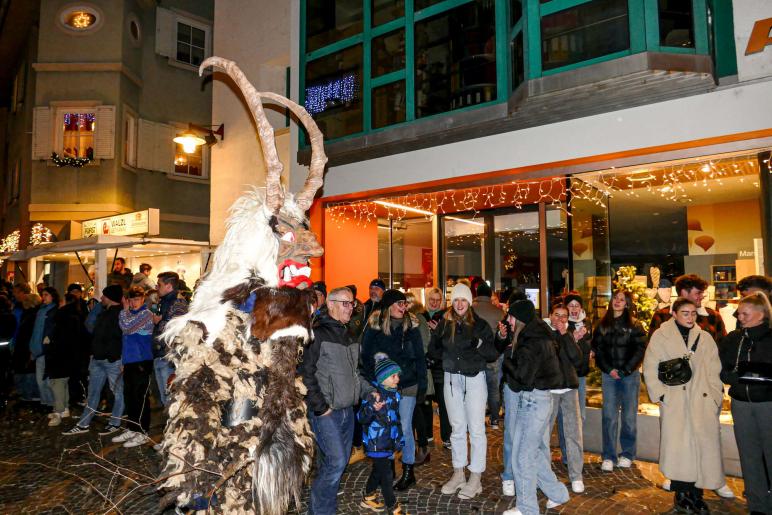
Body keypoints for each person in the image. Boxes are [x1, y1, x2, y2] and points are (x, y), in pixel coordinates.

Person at [649, 275, 734, 499]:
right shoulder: (661, 335)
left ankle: (698, 496)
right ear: (674, 314)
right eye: (685, 313)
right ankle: (682, 495)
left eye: (693, 313)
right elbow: (650, 367)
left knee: (704, 449)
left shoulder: (704, 337)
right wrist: (661, 396)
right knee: (679, 449)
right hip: (675, 400)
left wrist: (716, 396)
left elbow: (714, 369)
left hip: (702, 401)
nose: (690, 317)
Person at [499, 299, 569, 515]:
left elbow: (523, 378)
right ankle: (558, 494)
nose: (508, 321)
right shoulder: (537, 334)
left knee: (522, 457)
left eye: (510, 316)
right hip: (537, 401)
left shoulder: (532, 341)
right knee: (534, 453)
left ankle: (527, 508)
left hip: (533, 402)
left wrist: (507, 363)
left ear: (518, 318)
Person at [428, 283, 496, 500]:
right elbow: (433, 349)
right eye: (456, 300)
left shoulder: (480, 325)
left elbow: (492, 352)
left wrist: (477, 344)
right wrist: (445, 358)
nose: (459, 304)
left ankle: (475, 476)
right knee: (457, 428)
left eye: (463, 300)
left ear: (469, 301)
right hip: (451, 379)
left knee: (476, 429)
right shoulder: (444, 323)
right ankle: (459, 473)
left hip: (474, 378)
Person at [301, 287, 360, 515]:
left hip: (348, 411)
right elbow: (306, 373)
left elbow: (356, 373)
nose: (350, 308)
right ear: (331, 304)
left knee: (337, 463)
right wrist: (320, 408)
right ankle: (321, 511)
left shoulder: (349, 335)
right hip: (327, 413)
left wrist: (368, 393)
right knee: (335, 462)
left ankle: (325, 507)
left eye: (352, 304)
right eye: (345, 303)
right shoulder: (316, 334)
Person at [361, 289, 426, 492]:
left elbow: (420, 358)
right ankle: (388, 470)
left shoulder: (411, 327)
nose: (403, 307)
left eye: (404, 304)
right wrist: (373, 384)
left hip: (407, 385)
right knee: (387, 426)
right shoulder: (375, 327)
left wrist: (422, 385)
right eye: (399, 303)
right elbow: (365, 356)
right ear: (388, 306)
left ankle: (409, 471)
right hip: (384, 387)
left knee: (405, 427)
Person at [719, 292, 772, 514]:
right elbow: (721, 369)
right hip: (740, 404)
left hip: (768, 404)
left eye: (745, 313)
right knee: (748, 455)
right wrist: (734, 377)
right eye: (739, 313)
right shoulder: (733, 338)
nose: (740, 317)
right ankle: (757, 506)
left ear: (761, 314)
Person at [592, 289, 646, 472]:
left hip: (629, 376)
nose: (617, 301)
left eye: (622, 300)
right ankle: (608, 455)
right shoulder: (601, 325)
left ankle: (628, 454)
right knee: (609, 417)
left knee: (629, 417)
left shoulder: (635, 325)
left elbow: (640, 350)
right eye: (615, 298)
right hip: (609, 376)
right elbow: (597, 350)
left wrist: (626, 370)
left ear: (627, 304)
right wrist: (609, 370)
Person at [62, 285, 125, 436]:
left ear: (110, 297)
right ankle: (84, 424)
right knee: (93, 393)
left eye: (104, 296)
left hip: (111, 360)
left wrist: (118, 357)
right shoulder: (105, 313)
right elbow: (94, 332)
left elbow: (122, 337)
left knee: (118, 393)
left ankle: (115, 422)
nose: (101, 298)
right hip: (99, 359)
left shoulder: (120, 314)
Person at [358, 353, 408, 515]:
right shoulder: (374, 395)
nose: (397, 379)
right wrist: (373, 408)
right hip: (376, 442)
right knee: (386, 474)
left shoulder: (394, 394)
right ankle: (392, 506)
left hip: (387, 441)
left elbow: (395, 420)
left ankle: (368, 496)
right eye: (393, 376)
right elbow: (361, 417)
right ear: (383, 378)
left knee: (378, 471)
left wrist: (399, 438)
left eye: (397, 376)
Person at [545, 302, 585, 494]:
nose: (560, 319)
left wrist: (566, 336)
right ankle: (543, 473)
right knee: (544, 434)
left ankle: (576, 475)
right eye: (557, 315)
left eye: (564, 316)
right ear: (550, 316)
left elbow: (577, 359)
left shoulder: (568, 335)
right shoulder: (544, 335)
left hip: (569, 389)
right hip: (550, 389)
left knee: (573, 433)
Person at [114, 287, 154, 448]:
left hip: (142, 361)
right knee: (129, 396)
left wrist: (123, 311)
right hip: (130, 361)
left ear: (143, 299)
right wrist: (123, 361)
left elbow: (126, 328)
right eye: (131, 300)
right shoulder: (130, 315)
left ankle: (142, 432)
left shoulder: (146, 315)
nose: (133, 303)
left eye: (137, 299)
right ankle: (132, 427)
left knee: (140, 397)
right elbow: (126, 337)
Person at [649, 274, 726, 342]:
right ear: (684, 293)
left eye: (702, 293)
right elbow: (652, 346)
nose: (702, 297)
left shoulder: (713, 316)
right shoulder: (662, 315)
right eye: (698, 293)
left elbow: (723, 346)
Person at [405, 291, 433, 465]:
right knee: (414, 412)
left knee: (416, 411)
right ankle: (416, 448)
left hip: (416, 371)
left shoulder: (418, 319)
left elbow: (423, 346)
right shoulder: (410, 319)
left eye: (405, 303)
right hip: (411, 371)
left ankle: (422, 447)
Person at [45, 292, 81, 426]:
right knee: (63, 383)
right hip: (67, 357)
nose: (59, 304)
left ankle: (58, 411)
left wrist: (50, 342)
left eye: (61, 302)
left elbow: (62, 338)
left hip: (60, 357)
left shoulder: (64, 317)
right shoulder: (74, 316)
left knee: (58, 384)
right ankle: (64, 408)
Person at [152, 271, 188, 407]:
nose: (157, 287)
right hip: (161, 354)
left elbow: (177, 329)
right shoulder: (165, 302)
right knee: (165, 399)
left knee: (171, 400)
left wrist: (159, 322)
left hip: (169, 358)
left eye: (159, 284)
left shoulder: (178, 303)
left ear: (168, 286)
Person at [472, 282, 505, 429]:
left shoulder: (471, 310)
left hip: (476, 355)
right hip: (494, 355)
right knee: (493, 388)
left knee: (476, 389)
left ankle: (477, 419)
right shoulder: (498, 312)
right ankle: (494, 419)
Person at [423, 287, 451, 448]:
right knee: (425, 401)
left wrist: (437, 331)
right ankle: (427, 435)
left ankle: (447, 437)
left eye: (437, 300)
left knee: (443, 402)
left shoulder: (446, 318)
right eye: (431, 299)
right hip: (425, 366)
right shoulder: (421, 316)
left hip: (440, 366)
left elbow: (448, 342)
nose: (434, 303)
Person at [30, 286, 58, 413]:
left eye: (46, 294)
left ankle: (50, 403)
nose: (43, 297)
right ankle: (45, 401)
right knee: (40, 379)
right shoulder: (41, 310)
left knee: (45, 380)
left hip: (47, 350)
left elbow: (53, 329)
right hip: (38, 349)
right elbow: (36, 330)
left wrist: (49, 340)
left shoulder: (54, 310)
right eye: (43, 295)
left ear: (52, 296)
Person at [11, 293, 41, 403]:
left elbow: (26, 333)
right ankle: (27, 392)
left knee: (28, 370)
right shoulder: (32, 314)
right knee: (27, 369)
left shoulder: (31, 315)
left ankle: (29, 393)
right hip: (25, 346)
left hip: (26, 347)